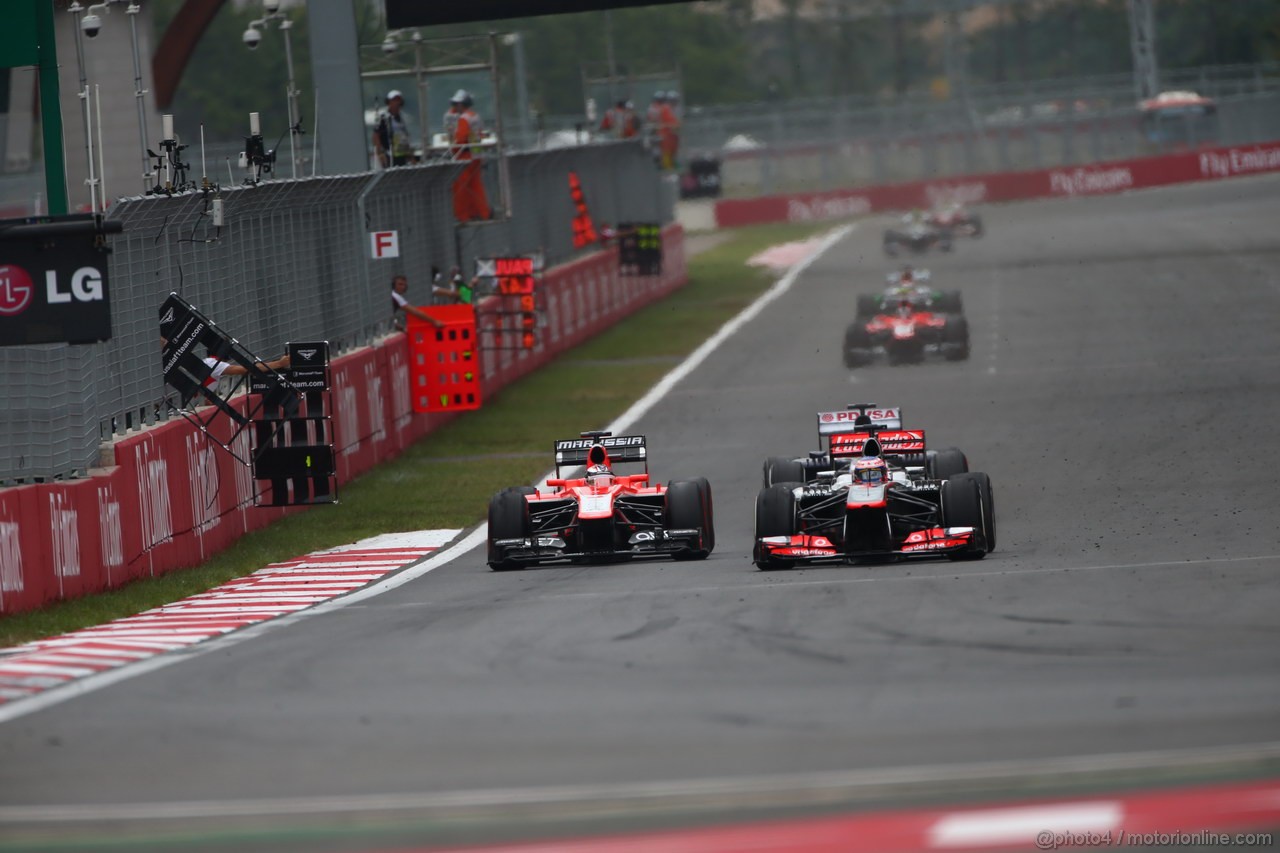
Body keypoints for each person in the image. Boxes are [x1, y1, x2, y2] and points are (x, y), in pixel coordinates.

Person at [450, 90, 492, 222]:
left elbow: (461, 138)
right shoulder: (475, 116)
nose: (455, 107)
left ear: (462, 104)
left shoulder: (464, 119)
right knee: (476, 185)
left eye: (457, 104)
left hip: (464, 156)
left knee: (461, 187)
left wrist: (453, 150)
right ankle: (482, 212)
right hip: (476, 155)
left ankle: (463, 215)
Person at [373, 90, 414, 168]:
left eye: (398, 100)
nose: (396, 103)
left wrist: (410, 154)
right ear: (389, 102)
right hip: (389, 154)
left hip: (402, 153)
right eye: (394, 100)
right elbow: (376, 135)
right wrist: (380, 152)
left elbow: (405, 135)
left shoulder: (403, 117)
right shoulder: (384, 118)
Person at [657, 90, 681, 171]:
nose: (676, 102)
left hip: (672, 135)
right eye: (674, 100)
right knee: (667, 152)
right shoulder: (666, 108)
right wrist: (677, 124)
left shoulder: (673, 109)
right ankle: (668, 169)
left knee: (672, 152)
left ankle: (672, 167)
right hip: (666, 135)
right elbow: (670, 120)